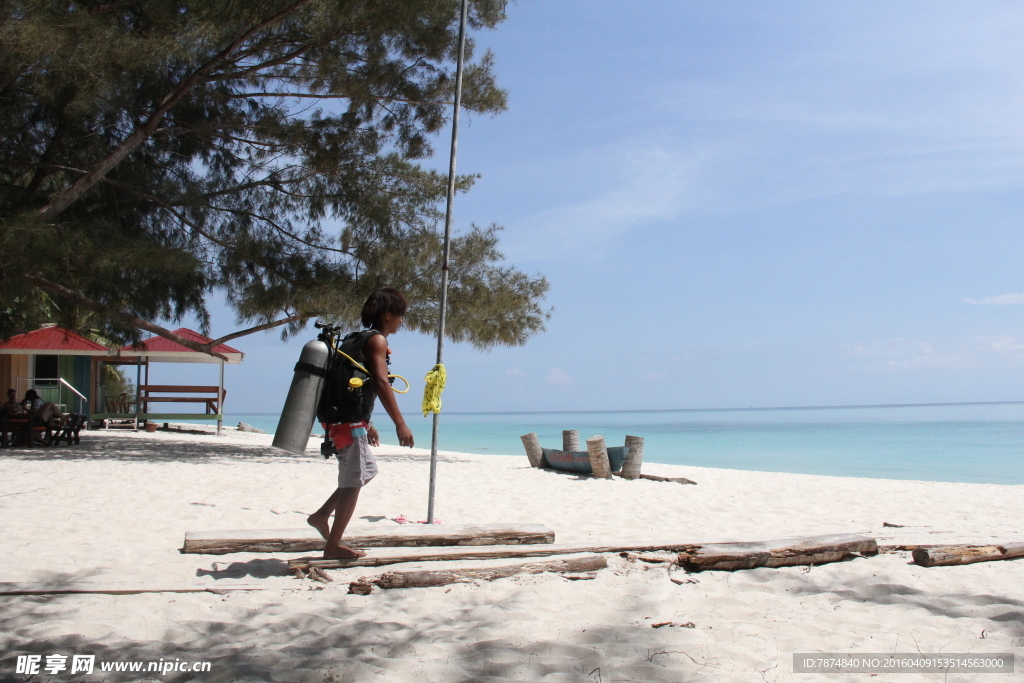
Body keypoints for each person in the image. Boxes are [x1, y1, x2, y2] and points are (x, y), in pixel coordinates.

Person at [306, 288, 415, 559]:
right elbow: (379, 383)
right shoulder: (376, 341)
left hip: (342, 419)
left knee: (365, 471)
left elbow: (355, 385)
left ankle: (321, 516)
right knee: (354, 479)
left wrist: (368, 422)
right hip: (347, 422)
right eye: (400, 315)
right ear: (388, 314)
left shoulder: (356, 339)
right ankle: (332, 546)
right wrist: (400, 424)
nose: (401, 321)